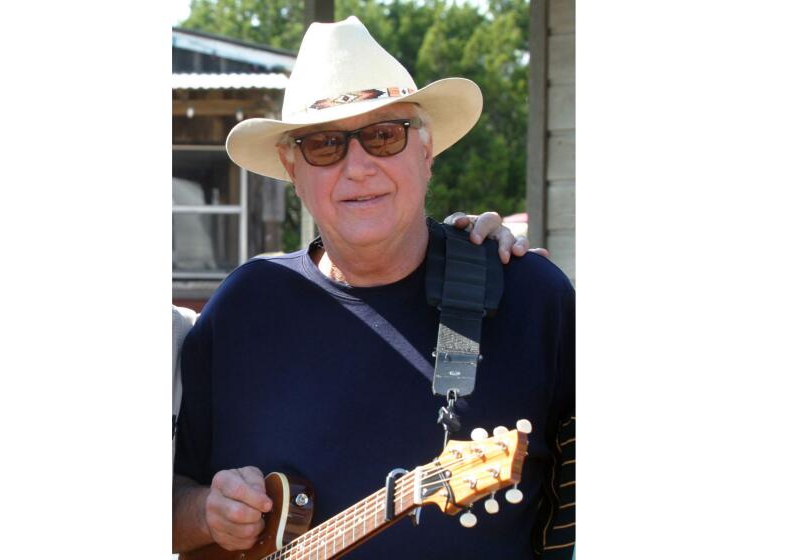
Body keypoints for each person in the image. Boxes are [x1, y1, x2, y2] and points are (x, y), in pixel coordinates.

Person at [174, 16, 574, 560]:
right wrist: (207, 513)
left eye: (384, 135)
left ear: (426, 151)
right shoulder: (243, 308)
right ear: (293, 168)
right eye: (324, 145)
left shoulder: (530, 298)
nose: (358, 167)